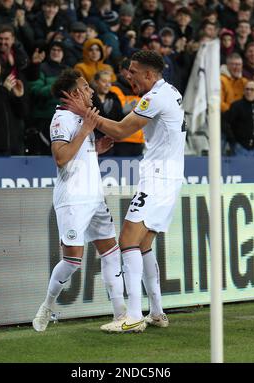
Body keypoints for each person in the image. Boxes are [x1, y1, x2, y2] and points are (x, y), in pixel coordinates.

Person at [61, 50, 186, 333]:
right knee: (143, 245)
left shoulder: (153, 98)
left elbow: (119, 130)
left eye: (132, 71)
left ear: (149, 75)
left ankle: (132, 316)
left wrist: (86, 114)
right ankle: (156, 311)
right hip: (170, 176)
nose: (127, 75)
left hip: (157, 178)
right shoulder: (170, 90)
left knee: (127, 239)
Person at [32, 68, 125, 332]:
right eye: (86, 87)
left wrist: (95, 149)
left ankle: (121, 316)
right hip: (72, 200)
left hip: (94, 197)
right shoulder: (61, 119)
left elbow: (77, 154)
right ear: (74, 93)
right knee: (73, 261)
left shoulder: (82, 118)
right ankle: (48, 305)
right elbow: (61, 158)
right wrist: (85, 130)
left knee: (111, 251)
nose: (91, 91)